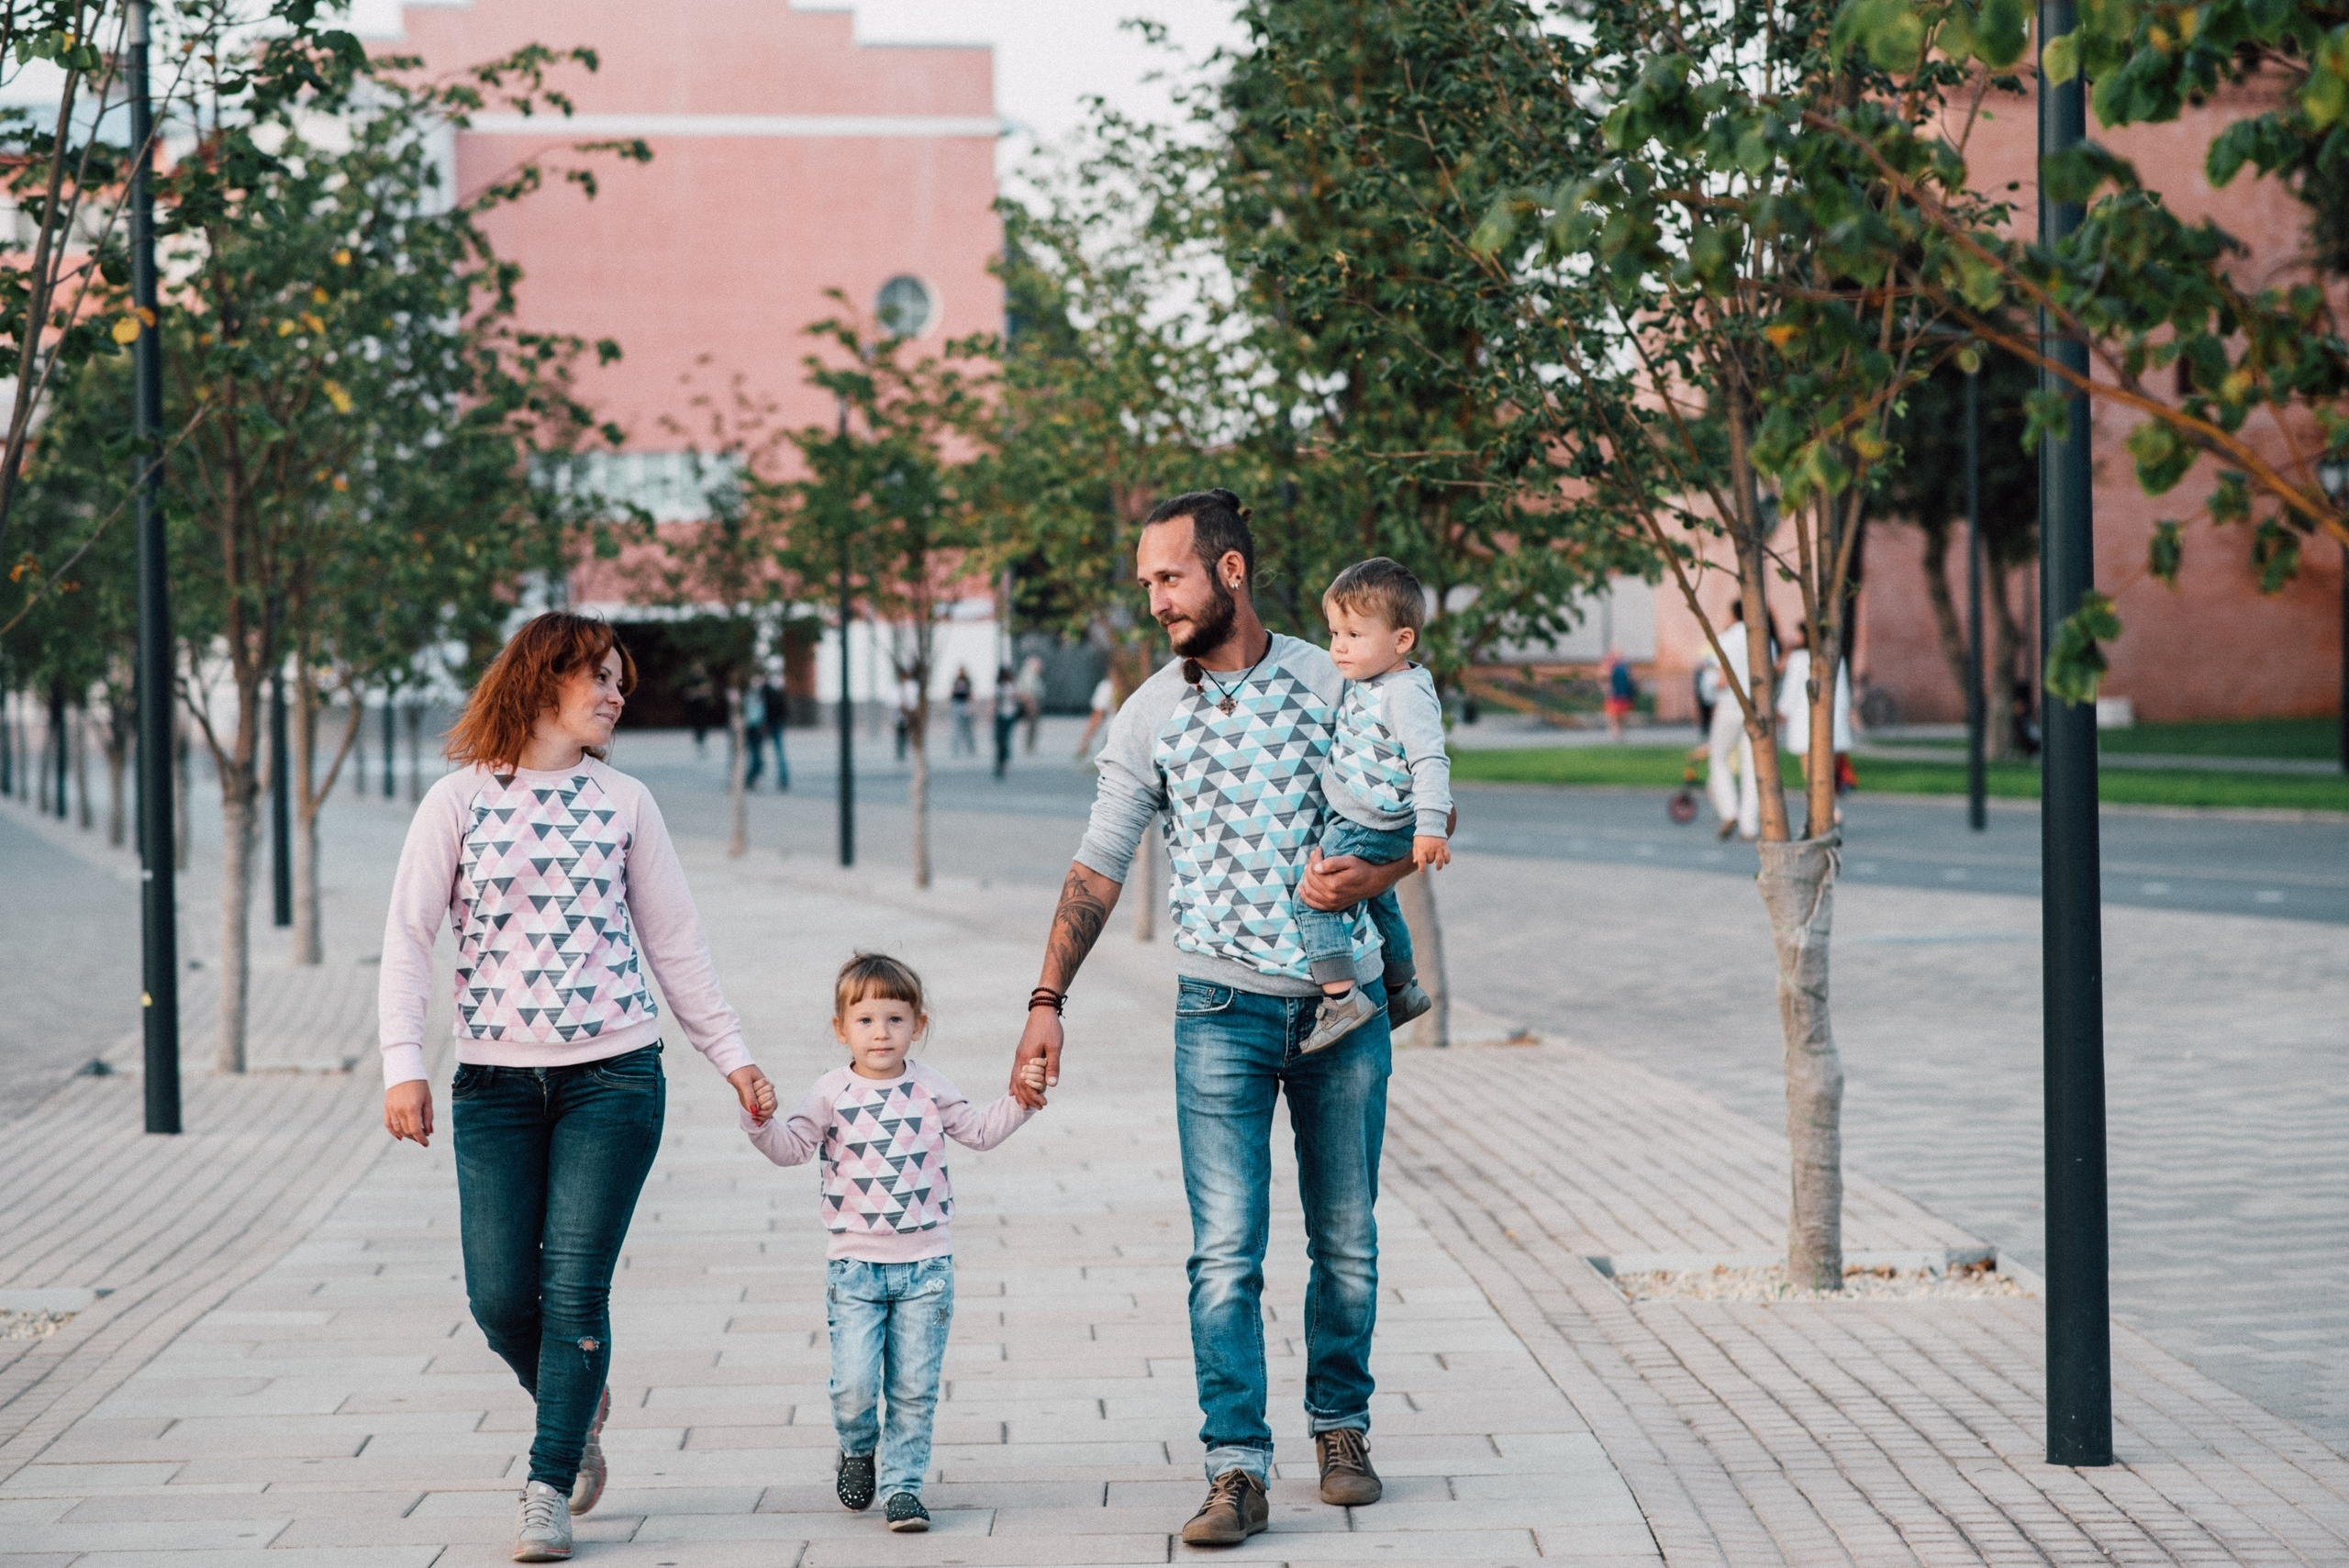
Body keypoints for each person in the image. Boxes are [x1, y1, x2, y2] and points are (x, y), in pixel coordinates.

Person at [1010, 489, 1430, 1546]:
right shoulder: (1150, 709)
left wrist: (1368, 873)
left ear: (1231, 571)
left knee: (1345, 1239)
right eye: (1146, 579)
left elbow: (1391, 817)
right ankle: (1235, 1465)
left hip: (1345, 1015)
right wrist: (1045, 997)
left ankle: (1340, 1426)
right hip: (1219, 1013)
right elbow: (1099, 861)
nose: (1152, 598)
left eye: (1169, 577)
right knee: (1224, 1251)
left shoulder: (1331, 674)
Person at [377, 611, 776, 1563]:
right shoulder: (458, 802)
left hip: (616, 1077)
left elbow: (676, 943)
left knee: (572, 1285)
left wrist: (733, 1055)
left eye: (618, 680)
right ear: (542, 678)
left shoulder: (627, 802)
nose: (615, 694)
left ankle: (548, 1481)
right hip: (493, 1086)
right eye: (598, 677)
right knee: (500, 1295)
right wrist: (402, 1061)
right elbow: (409, 937)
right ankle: (580, 1396)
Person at [744, 954, 1045, 1535]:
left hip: (927, 1269)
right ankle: (858, 1447)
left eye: (895, 1019)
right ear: (841, 1030)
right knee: (854, 1384)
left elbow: (980, 1131)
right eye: (865, 1020)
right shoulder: (830, 1092)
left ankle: (903, 1489)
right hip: (855, 1268)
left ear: (918, 1025)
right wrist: (759, 1120)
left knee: (914, 1388)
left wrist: (1023, 1099)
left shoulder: (930, 1086)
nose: (880, 1032)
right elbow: (791, 1148)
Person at [1295, 558, 1446, 1053]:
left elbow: (1429, 760)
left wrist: (1431, 828)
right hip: (1368, 814)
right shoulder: (1374, 682)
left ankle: (1340, 1000)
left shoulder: (1403, 695)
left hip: (1371, 821)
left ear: (1401, 641)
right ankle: (1402, 989)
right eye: (1334, 632)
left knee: (1314, 896)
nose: (1338, 646)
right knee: (1380, 898)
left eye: (1354, 635)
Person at [1776, 626, 1853, 821]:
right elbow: (1843, 691)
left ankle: (1822, 811)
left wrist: (1782, 712)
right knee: (1827, 769)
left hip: (1804, 720)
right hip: (1832, 720)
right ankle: (1828, 808)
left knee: (1810, 770)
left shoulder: (1799, 659)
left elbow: (1791, 690)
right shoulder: (1835, 657)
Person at [1705, 602, 1765, 841]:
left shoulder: (1726, 639)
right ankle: (1749, 825)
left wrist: (1708, 683)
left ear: (1733, 614)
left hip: (1730, 705)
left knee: (1718, 759)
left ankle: (1729, 810)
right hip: (1756, 707)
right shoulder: (1763, 640)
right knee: (1751, 767)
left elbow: (1720, 680)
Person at [760, 669, 790, 791]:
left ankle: (755, 774)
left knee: (758, 750)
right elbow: (784, 708)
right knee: (779, 751)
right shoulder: (779, 689)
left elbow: (763, 708)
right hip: (777, 722)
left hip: (767, 723)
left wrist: (764, 723)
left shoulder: (764, 689)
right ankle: (783, 777)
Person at [1072, 672, 1114, 761]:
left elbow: (1097, 716)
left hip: (1115, 736)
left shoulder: (1108, 686)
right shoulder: (1142, 684)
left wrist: (1084, 743)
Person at [1600, 649, 1637, 741]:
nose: (1619, 655)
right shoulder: (1609, 665)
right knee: (1613, 716)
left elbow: (1630, 679)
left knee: (1622, 716)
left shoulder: (1625, 665)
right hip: (1614, 695)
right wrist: (1607, 690)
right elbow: (1604, 679)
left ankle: (1620, 734)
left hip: (1624, 694)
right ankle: (1616, 734)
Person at [992, 665, 1020, 778]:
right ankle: (999, 762)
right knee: (999, 740)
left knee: (1005, 740)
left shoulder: (1011, 686)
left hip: (1009, 715)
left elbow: (1017, 697)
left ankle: (1005, 762)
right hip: (1000, 716)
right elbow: (994, 701)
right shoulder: (999, 686)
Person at [1016, 654, 1046, 753]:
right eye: (1039, 665)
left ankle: (1030, 746)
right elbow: (1028, 691)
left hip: (1033, 702)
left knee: (1032, 726)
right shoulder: (1029, 675)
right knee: (1031, 726)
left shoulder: (1030, 674)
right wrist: (1031, 704)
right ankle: (1029, 747)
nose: (1041, 667)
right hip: (1031, 703)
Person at [948, 666, 975, 757]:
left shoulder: (967, 681)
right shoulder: (955, 681)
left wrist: (971, 706)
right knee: (956, 729)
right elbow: (952, 693)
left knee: (968, 729)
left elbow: (971, 694)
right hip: (956, 704)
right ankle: (955, 751)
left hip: (965, 704)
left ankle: (971, 750)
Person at [896, 669, 921, 762]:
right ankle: (901, 754)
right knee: (902, 733)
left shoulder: (912, 686)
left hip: (911, 712)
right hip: (902, 713)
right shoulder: (899, 687)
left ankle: (911, 751)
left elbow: (915, 700)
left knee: (911, 733)